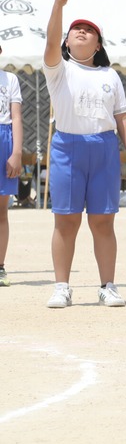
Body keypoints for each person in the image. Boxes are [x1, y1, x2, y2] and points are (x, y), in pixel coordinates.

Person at [42, 0, 126, 308]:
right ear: (67, 42)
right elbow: (51, 40)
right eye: (76, 30)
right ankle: (62, 286)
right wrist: (59, 5)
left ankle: (107, 285)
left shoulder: (109, 76)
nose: (81, 32)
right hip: (67, 148)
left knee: (103, 220)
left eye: (89, 30)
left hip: (103, 148)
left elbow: (123, 118)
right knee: (66, 219)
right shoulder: (58, 69)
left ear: (98, 44)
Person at [0, 45, 24, 288]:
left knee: (1, 210)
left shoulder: (10, 79)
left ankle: (0, 267)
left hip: (3, 140)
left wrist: (16, 152)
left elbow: (16, 116)